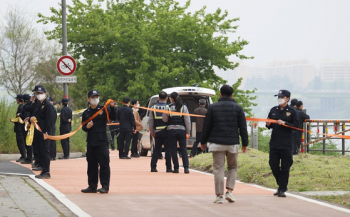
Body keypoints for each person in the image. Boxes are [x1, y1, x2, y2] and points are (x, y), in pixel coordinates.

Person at [200, 85, 248, 204]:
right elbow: (243, 127)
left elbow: (206, 126)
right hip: (232, 143)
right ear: (232, 95)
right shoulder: (238, 108)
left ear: (220, 94)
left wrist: (202, 141)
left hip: (216, 143)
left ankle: (219, 195)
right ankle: (230, 192)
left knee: (218, 169)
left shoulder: (212, 107)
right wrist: (245, 143)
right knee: (232, 167)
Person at [81, 90, 116, 194]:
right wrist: (87, 127)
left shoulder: (103, 109)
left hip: (102, 141)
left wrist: (113, 107)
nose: (95, 99)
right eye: (93, 97)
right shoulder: (86, 113)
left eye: (96, 96)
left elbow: (113, 117)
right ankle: (92, 186)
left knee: (104, 164)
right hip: (91, 142)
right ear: (88, 99)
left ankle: (105, 186)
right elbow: (83, 127)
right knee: (91, 165)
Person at [266, 89, 298, 197]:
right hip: (275, 143)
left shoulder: (292, 111)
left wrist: (285, 123)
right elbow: (268, 124)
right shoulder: (273, 110)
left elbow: (296, 126)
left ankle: (282, 189)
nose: (279, 99)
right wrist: (268, 123)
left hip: (286, 143)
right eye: (278, 97)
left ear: (287, 99)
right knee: (273, 165)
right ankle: (281, 184)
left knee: (285, 166)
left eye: (282, 97)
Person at [30, 86, 56, 179]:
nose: (39, 95)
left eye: (41, 93)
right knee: (41, 151)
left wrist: (46, 132)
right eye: (38, 93)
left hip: (45, 132)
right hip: (39, 132)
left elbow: (49, 121)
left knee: (45, 152)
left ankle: (46, 171)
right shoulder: (40, 104)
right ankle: (43, 170)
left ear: (45, 94)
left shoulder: (48, 105)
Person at [162, 92, 191, 174]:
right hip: (182, 130)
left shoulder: (168, 107)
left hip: (172, 130)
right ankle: (186, 168)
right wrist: (188, 132)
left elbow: (164, 119)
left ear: (171, 99)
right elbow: (187, 121)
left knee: (173, 149)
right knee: (183, 149)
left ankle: (176, 168)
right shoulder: (183, 107)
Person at [149, 91, 171, 172]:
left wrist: (152, 131)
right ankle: (168, 168)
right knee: (168, 149)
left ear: (158, 98)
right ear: (167, 98)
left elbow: (151, 121)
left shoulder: (153, 107)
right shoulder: (168, 107)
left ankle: (153, 167)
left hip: (157, 131)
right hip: (167, 131)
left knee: (156, 149)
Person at [19, 94, 33, 164]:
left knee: (28, 142)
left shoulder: (26, 107)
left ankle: (29, 158)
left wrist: (20, 115)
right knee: (28, 142)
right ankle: (29, 157)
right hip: (29, 126)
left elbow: (25, 116)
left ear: (24, 100)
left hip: (26, 126)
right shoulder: (31, 105)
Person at [13, 94, 26, 162]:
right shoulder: (21, 107)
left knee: (21, 142)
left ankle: (24, 156)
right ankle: (23, 155)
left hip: (20, 128)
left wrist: (15, 120)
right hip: (19, 128)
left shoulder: (21, 107)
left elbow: (20, 118)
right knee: (20, 142)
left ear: (18, 99)